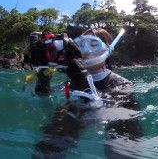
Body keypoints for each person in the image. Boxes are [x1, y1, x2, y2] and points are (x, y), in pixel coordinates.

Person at [32, 28, 142, 158]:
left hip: (117, 119)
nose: (85, 51)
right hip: (77, 113)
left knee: (120, 151)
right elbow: (45, 98)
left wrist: (81, 82)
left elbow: (104, 113)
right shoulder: (70, 81)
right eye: (80, 45)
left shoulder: (121, 84)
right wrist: (43, 81)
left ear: (108, 50)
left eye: (93, 44)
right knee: (46, 150)